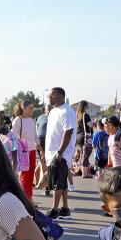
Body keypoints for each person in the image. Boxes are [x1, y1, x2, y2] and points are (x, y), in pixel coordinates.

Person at [44, 87, 77, 220]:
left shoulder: (66, 111)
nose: (50, 98)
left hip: (60, 154)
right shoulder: (53, 111)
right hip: (52, 153)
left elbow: (68, 132)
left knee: (57, 183)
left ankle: (54, 211)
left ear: (61, 95)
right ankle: (65, 209)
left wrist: (60, 152)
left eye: (52, 96)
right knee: (61, 182)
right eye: (49, 96)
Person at [10, 102, 38, 200]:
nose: (32, 110)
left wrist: (41, 149)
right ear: (24, 108)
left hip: (32, 150)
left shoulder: (32, 120)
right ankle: (25, 200)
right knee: (24, 176)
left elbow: (35, 136)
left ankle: (29, 198)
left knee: (30, 175)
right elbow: (13, 137)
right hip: (23, 152)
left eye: (33, 108)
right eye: (30, 108)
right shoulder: (17, 120)